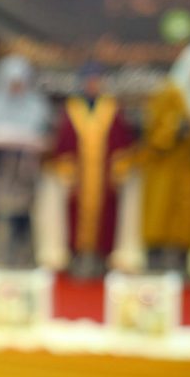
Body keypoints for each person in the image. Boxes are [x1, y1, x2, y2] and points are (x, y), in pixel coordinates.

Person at [140, 41, 190, 275]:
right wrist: (177, 127)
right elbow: (152, 133)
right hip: (164, 167)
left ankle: (181, 263)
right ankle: (155, 264)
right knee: (160, 212)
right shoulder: (167, 93)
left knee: (186, 216)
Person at [52, 62, 135, 279]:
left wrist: (120, 167)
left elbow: (121, 141)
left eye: (96, 81)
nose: (93, 85)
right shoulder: (72, 109)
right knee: (76, 216)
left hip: (104, 178)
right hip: (80, 178)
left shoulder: (111, 108)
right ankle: (78, 258)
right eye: (89, 81)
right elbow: (64, 142)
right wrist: (67, 169)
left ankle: (101, 261)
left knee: (107, 217)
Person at [0, 53, 53, 267]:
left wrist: (33, 143)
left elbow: (46, 139)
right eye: (12, 83)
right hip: (1, 173)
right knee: (1, 219)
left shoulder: (37, 106)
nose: (16, 88)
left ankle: (26, 264)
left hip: (26, 175)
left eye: (20, 83)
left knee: (24, 220)